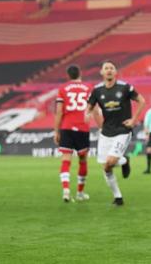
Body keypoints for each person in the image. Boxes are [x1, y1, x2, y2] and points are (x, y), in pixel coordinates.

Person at [86, 60, 145, 206]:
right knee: (106, 167)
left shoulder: (125, 87)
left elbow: (141, 101)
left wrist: (134, 119)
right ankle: (118, 197)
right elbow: (90, 107)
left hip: (123, 131)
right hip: (106, 132)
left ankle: (123, 160)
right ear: (102, 72)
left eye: (111, 68)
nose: (109, 70)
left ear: (115, 72)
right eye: (106, 68)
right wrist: (89, 116)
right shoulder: (97, 90)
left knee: (111, 161)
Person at [54, 65, 93, 202]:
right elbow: (93, 109)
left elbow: (59, 112)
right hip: (82, 127)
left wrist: (56, 131)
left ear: (68, 75)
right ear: (80, 73)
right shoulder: (88, 88)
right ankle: (80, 193)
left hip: (66, 127)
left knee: (66, 159)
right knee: (82, 160)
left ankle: (66, 190)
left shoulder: (63, 89)